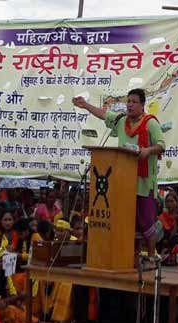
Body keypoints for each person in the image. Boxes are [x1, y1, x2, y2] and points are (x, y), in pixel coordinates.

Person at [73, 88, 165, 256]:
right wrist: (85, 105)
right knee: (127, 222)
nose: (129, 105)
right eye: (128, 102)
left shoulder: (151, 123)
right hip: (124, 180)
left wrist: (149, 151)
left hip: (144, 183)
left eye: (134, 102)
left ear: (142, 105)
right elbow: (104, 115)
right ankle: (131, 257)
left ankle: (151, 256)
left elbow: (161, 145)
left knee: (146, 223)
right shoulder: (122, 121)